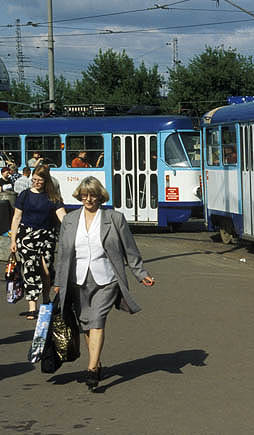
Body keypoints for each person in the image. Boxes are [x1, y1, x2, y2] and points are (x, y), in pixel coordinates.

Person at [54, 176, 155, 391]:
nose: (88, 199)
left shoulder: (114, 218)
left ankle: (91, 370)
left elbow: (130, 249)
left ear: (100, 196)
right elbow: (63, 253)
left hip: (106, 278)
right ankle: (97, 362)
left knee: (97, 320)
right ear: (79, 196)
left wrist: (140, 273)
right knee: (86, 323)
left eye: (92, 195)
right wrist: (58, 281)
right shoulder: (70, 220)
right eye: (84, 195)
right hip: (77, 279)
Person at [9, 165, 66, 319]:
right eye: (34, 179)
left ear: (46, 180)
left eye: (39, 180)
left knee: (46, 270)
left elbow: (63, 217)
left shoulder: (53, 197)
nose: (36, 183)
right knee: (29, 269)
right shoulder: (24, 195)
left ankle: (46, 300)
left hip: (47, 236)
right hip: (26, 236)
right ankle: (32, 306)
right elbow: (16, 218)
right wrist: (13, 240)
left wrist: (72, 230)